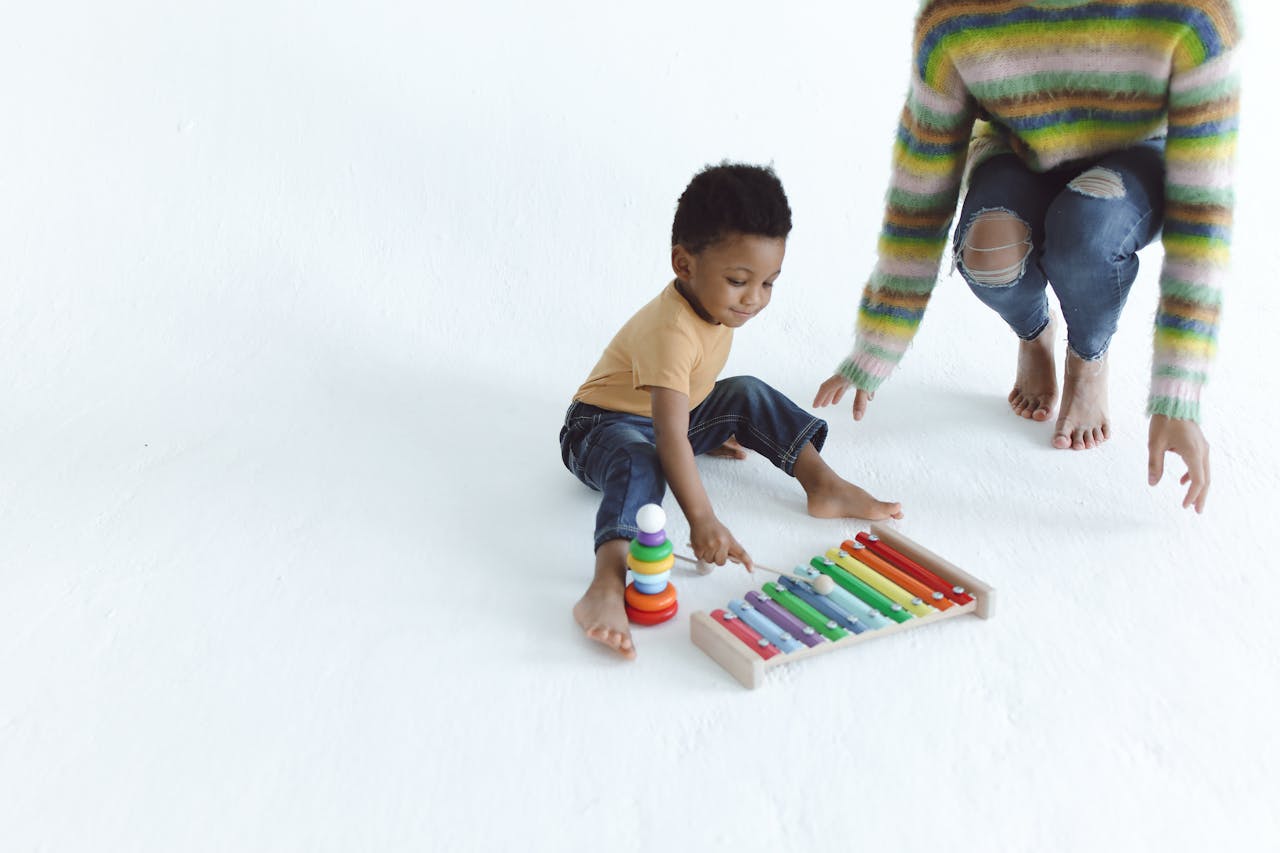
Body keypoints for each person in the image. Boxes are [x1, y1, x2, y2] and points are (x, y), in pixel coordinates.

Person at [813, 0, 1240, 514]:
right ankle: (1034, 334)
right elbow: (920, 192)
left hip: (1136, 154)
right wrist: (877, 346)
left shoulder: (1194, 16)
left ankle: (1089, 354)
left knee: (1085, 232)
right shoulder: (954, 20)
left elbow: (1204, 215)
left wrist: (1179, 397)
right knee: (989, 250)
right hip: (1019, 149)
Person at [561, 163, 903, 659]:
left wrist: (704, 424)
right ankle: (607, 583)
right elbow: (669, 435)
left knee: (745, 391)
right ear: (684, 265)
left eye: (769, 283)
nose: (754, 299)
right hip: (599, 428)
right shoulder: (671, 332)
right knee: (645, 458)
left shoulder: (714, 304)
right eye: (739, 281)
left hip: (671, 416)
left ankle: (822, 484)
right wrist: (703, 519)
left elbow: (683, 416)